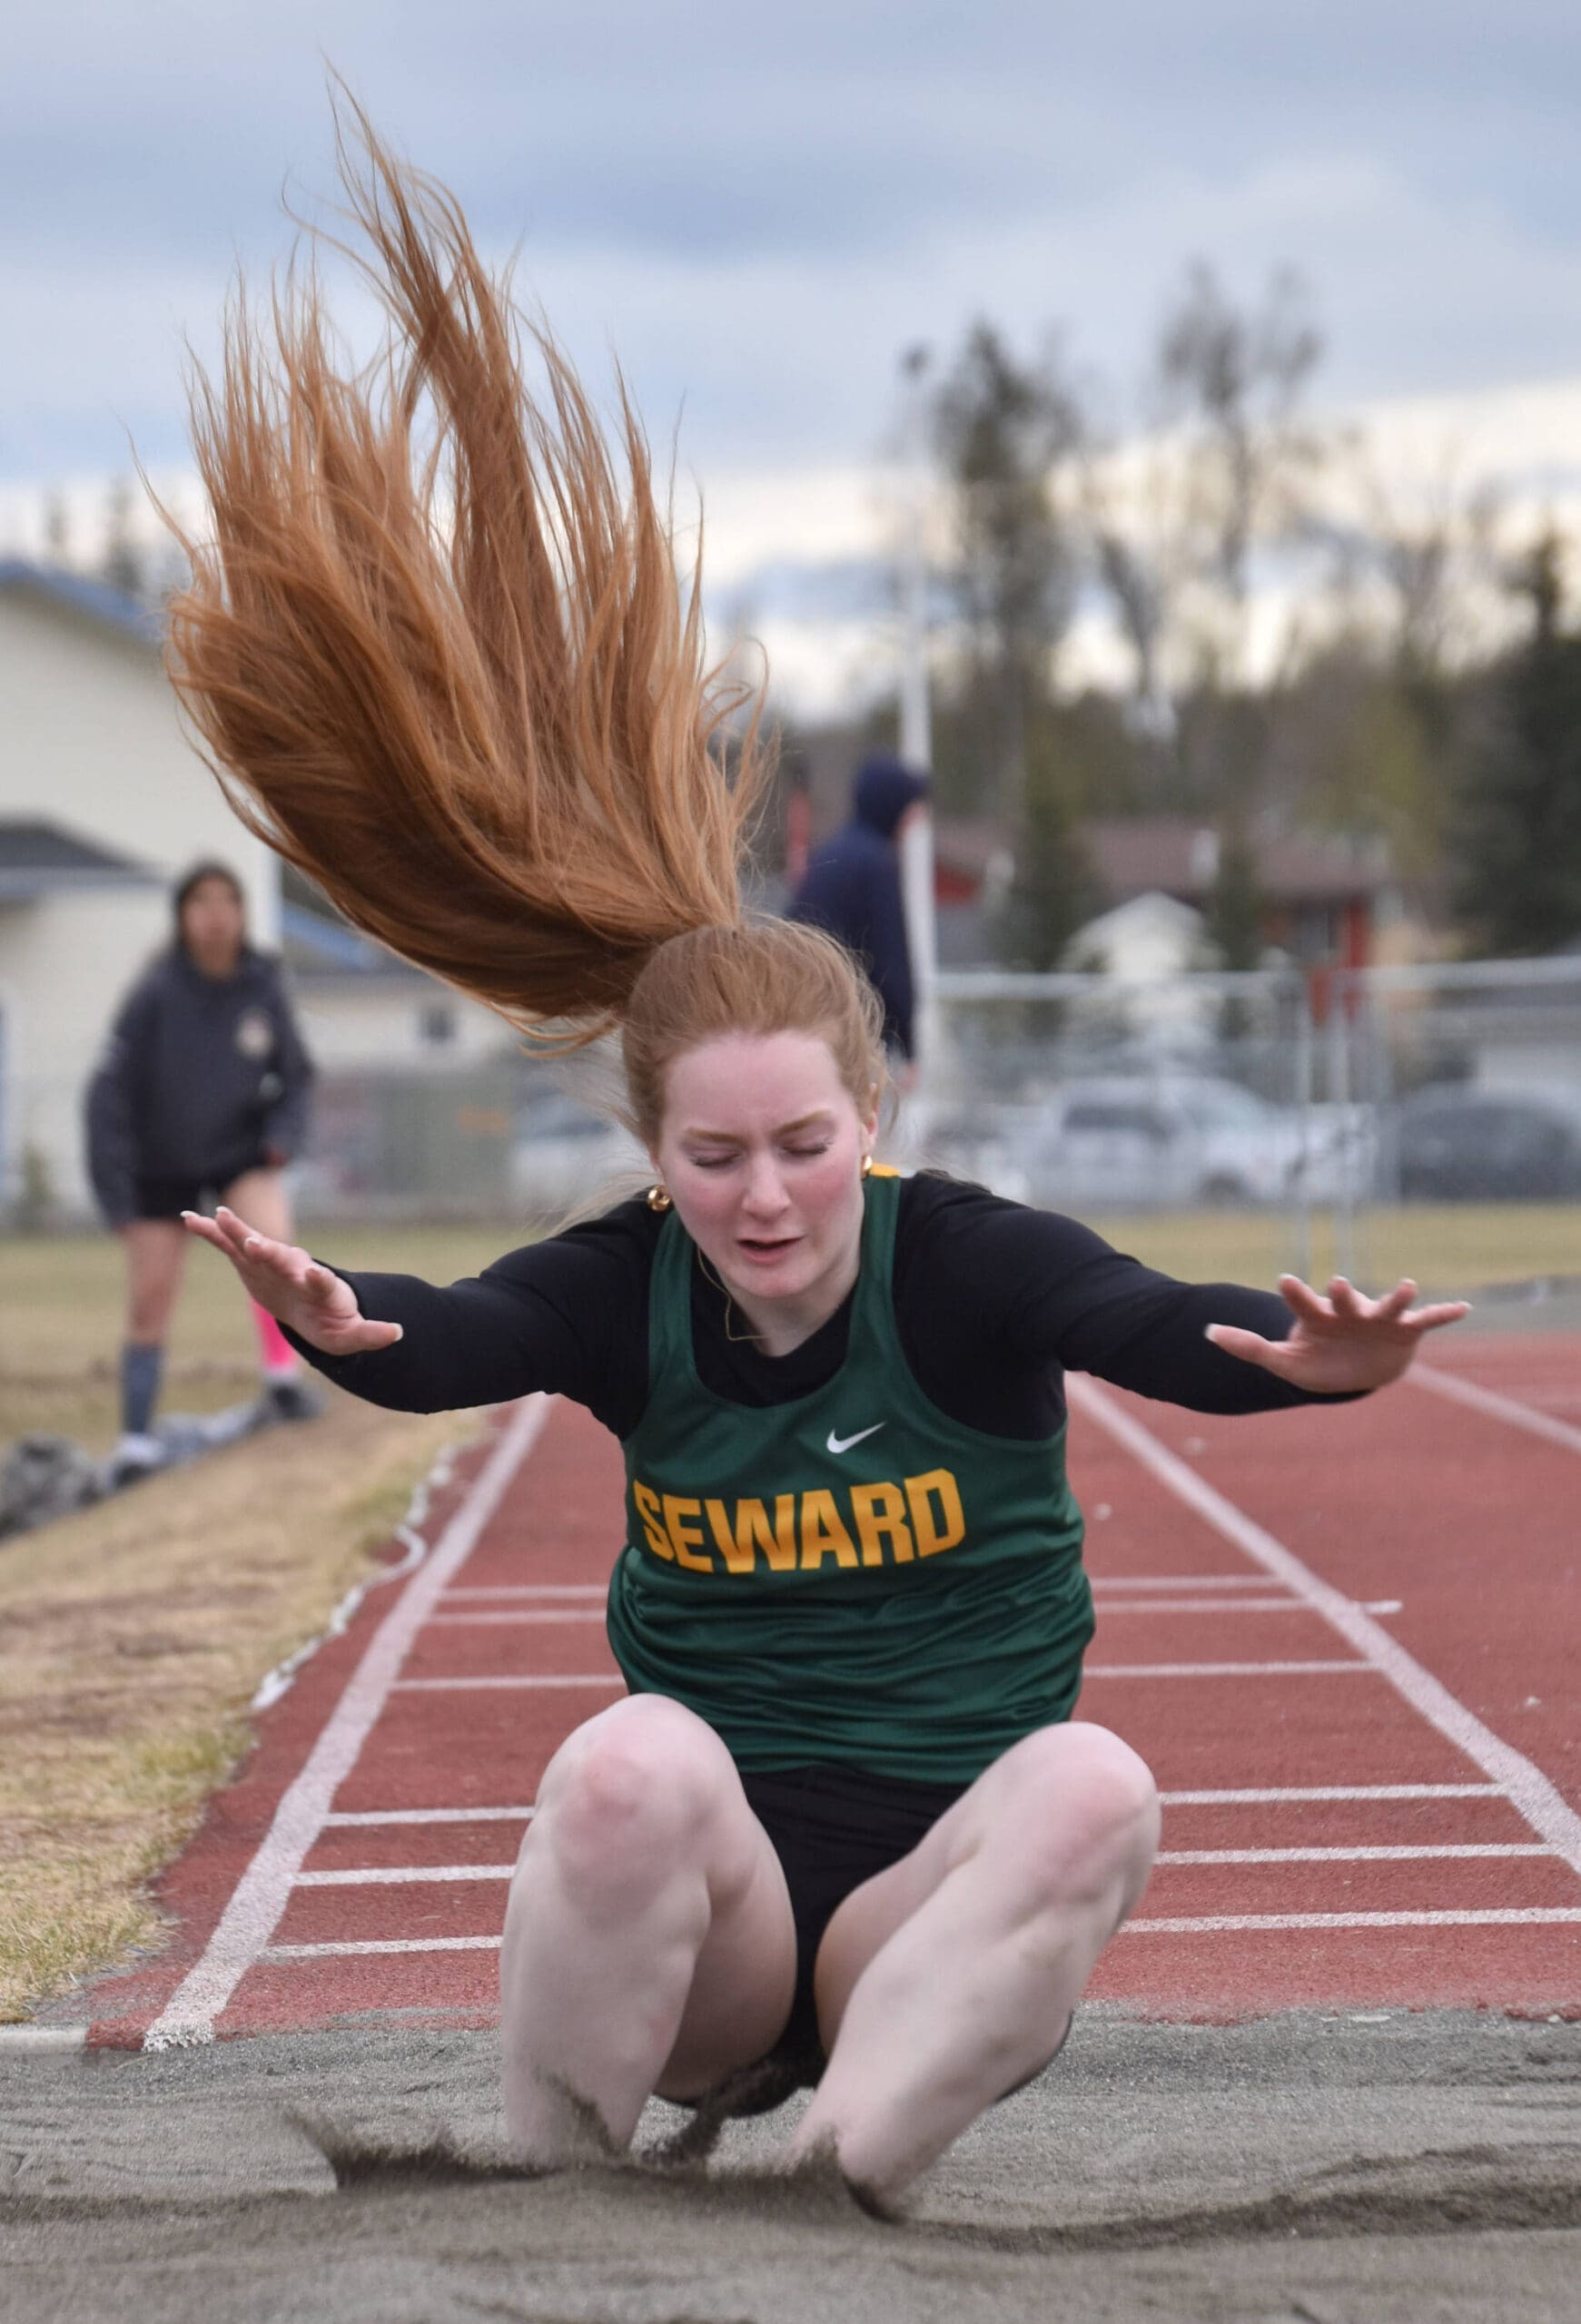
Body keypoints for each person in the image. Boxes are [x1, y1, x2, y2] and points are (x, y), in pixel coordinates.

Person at [171, 112, 1467, 2207]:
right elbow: (463, 1329)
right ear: (652, 1151)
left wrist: (1290, 1360)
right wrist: (345, 1318)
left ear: (867, 1127)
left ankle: (822, 2176)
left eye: (799, 1144)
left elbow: (1141, 1316)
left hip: (914, 1925)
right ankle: (550, 2200)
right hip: (718, 1913)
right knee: (619, 1759)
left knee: (1098, 1782)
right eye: (714, 1155)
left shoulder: (949, 1263)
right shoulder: (630, 1284)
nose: (761, 1194)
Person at [85, 859, 320, 1482]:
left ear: (242, 914)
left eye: (227, 902)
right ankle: (135, 1441)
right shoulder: (156, 992)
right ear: (183, 917)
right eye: (201, 903)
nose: (215, 916)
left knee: (269, 1243)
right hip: (159, 1164)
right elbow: (105, 1094)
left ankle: (282, 1380)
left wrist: (279, 1138)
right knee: (151, 1298)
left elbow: (297, 1075)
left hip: (237, 1151)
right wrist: (117, 1198)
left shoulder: (262, 984)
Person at [787, 754, 927, 1066]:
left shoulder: (831, 854)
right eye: (911, 808)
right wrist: (909, 1045)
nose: (917, 819)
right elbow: (891, 956)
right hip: (854, 1033)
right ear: (892, 805)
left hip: (806, 1021)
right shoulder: (876, 863)